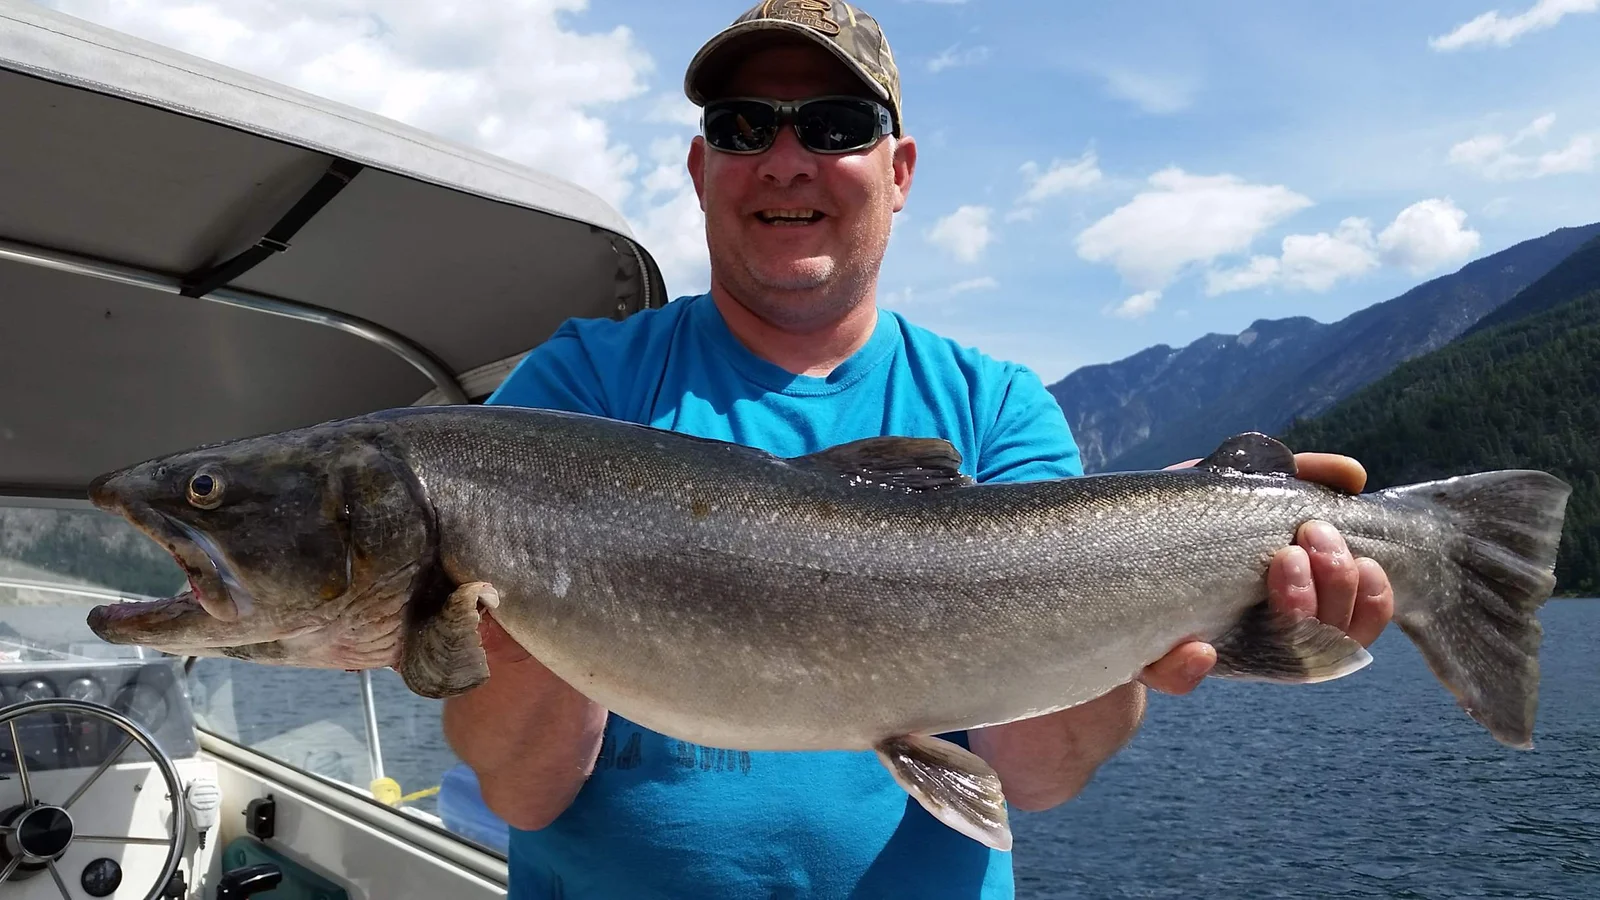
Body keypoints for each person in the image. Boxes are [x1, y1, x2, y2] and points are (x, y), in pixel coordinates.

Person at [442, 2, 1396, 897]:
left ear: (898, 172)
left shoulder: (998, 408)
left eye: (833, 125)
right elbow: (525, 792)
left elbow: (1041, 774)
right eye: (744, 127)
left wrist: (1161, 587)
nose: (785, 160)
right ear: (700, 170)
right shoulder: (577, 393)